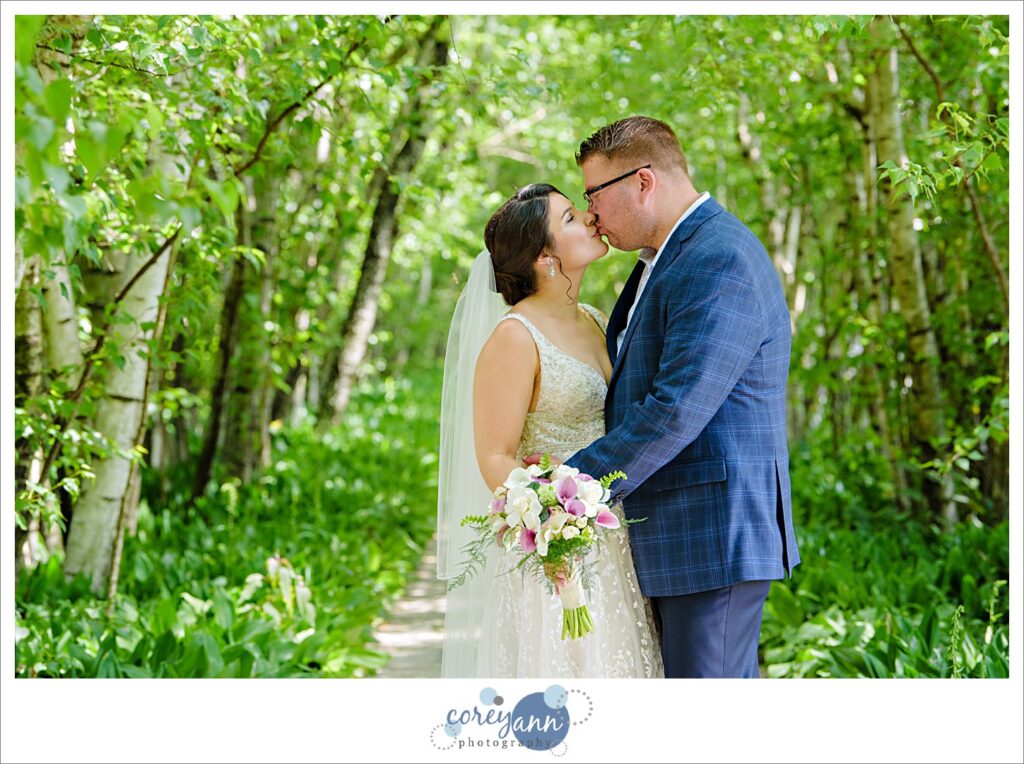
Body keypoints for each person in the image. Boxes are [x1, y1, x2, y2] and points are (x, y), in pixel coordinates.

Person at [544, 116, 800, 678]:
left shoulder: (718, 257)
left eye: (594, 194)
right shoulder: (666, 258)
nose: (591, 214)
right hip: (679, 535)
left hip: (712, 536)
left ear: (643, 181)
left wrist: (568, 488)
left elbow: (675, 408)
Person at [436, 183, 663, 678]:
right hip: (557, 552)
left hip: (615, 537)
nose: (589, 216)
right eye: (570, 218)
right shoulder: (514, 337)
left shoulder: (597, 320)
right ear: (544, 258)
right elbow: (495, 456)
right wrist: (548, 524)